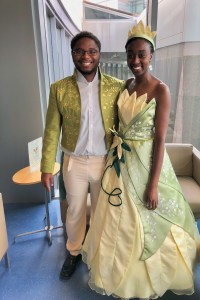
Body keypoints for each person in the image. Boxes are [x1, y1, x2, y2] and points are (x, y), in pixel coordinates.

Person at [82, 21, 200, 299]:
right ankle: (113, 269)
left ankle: (148, 276)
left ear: (151, 56)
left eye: (142, 54)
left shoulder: (161, 89)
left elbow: (160, 140)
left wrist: (153, 184)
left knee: (146, 216)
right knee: (113, 217)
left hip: (146, 162)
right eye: (131, 54)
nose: (135, 60)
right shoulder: (126, 84)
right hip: (119, 161)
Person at [40, 31, 124, 280]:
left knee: (101, 211)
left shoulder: (116, 87)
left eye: (92, 51)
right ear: (72, 54)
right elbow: (52, 130)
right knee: (75, 210)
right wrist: (47, 167)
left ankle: (98, 252)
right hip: (73, 162)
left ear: (99, 55)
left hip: (104, 162)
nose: (86, 56)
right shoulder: (59, 89)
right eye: (80, 51)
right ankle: (74, 252)